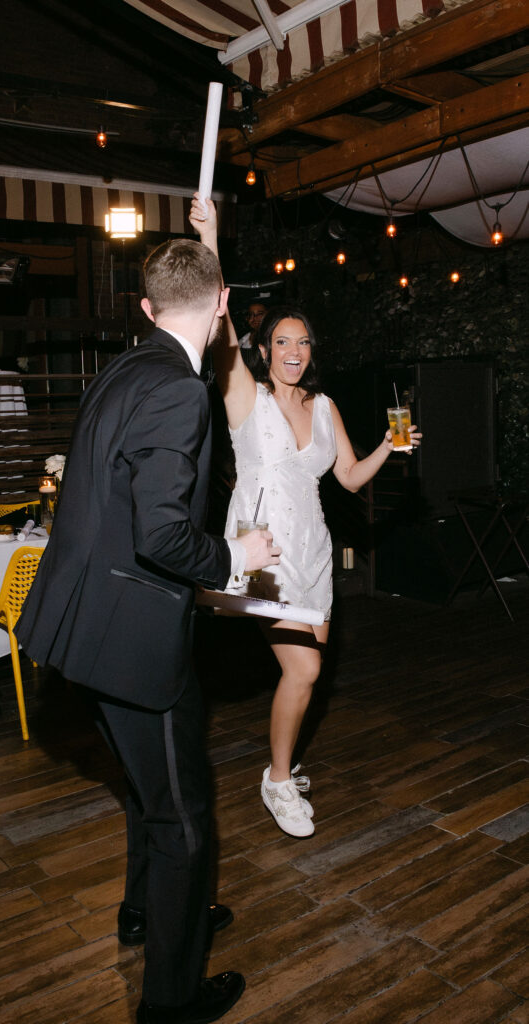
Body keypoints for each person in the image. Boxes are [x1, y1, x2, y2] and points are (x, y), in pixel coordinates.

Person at [15, 235, 279, 1024]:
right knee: (183, 819)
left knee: (150, 789)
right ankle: (171, 1000)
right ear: (224, 306)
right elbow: (160, 535)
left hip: (79, 628)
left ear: (145, 307)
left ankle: (151, 911)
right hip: (130, 640)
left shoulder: (127, 367)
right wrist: (236, 554)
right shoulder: (177, 391)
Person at [190, 196, 422, 840]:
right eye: (281, 341)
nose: (293, 350)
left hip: (313, 552)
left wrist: (390, 447)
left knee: (304, 678)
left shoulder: (325, 408)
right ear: (264, 352)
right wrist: (211, 239)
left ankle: (282, 766)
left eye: (303, 342)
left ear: (311, 352)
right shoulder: (245, 396)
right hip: (262, 551)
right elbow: (220, 327)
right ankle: (278, 779)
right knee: (307, 670)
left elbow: (346, 476)